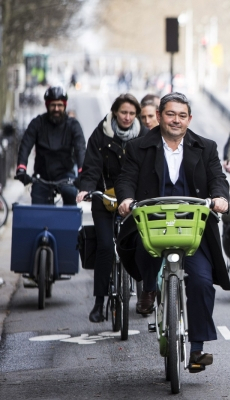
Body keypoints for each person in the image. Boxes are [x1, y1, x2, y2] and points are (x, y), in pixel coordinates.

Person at [116, 92, 230, 371]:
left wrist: (220, 198)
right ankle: (148, 286)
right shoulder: (138, 147)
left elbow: (218, 178)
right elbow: (127, 178)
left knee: (202, 281)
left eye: (182, 115)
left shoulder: (206, 147)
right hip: (151, 223)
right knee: (143, 250)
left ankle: (197, 349)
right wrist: (126, 199)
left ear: (189, 119)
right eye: (170, 114)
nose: (176, 120)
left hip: (193, 227)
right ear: (158, 116)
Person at [76, 93, 148, 323]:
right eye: (123, 112)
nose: (127, 117)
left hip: (132, 200)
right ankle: (99, 303)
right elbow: (92, 166)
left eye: (131, 113)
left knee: (141, 244)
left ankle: (146, 293)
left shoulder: (145, 135)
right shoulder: (101, 133)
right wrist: (86, 189)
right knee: (105, 247)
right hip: (104, 198)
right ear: (115, 112)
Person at [15, 86, 85, 205]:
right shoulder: (37, 123)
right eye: (53, 105)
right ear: (47, 105)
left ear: (65, 106)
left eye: (60, 105)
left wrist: (82, 172)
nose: (56, 109)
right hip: (42, 176)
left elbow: (80, 149)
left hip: (65, 175)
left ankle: (67, 223)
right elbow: (25, 145)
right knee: (38, 211)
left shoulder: (73, 125)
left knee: (71, 199)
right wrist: (21, 168)